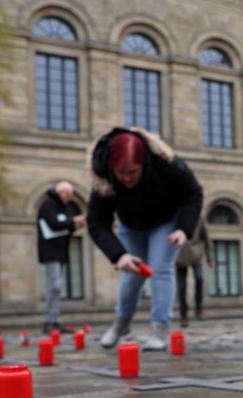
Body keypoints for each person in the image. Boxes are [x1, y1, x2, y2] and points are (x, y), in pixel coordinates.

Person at [87, 127, 204, 349]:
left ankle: (159, 328)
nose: (126, 178)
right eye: (121, 173)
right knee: (132, 275)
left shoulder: (167, 164)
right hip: (131, 225)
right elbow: (97, 222)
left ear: (144, 163)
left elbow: (193, 193)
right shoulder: (103, 176)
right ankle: (122, 322)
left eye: (132, 172)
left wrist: (184, 230)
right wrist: (118, 255)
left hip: (166, 222)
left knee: (160, 268)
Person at [37, 181, 85, 333]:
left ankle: (55, 320)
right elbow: (54, 224)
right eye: (68, 195)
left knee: (57, 287)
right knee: (55, 286)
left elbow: (67, 228)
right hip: (50, 251)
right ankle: (49, 320)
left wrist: (76, 225)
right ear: (61, 193)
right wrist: (73, 221)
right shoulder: (47, 205)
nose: (69, 198)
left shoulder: (67, 207)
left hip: (61, 251)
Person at [175, 215, 212, 327]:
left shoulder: (198, 219)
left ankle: (199, 308)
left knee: (199, 279)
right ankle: (183, 316)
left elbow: (206, 238)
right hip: (179, 257)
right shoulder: (174, 218)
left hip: (196, 255)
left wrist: (209, 257)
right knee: (181, 288)